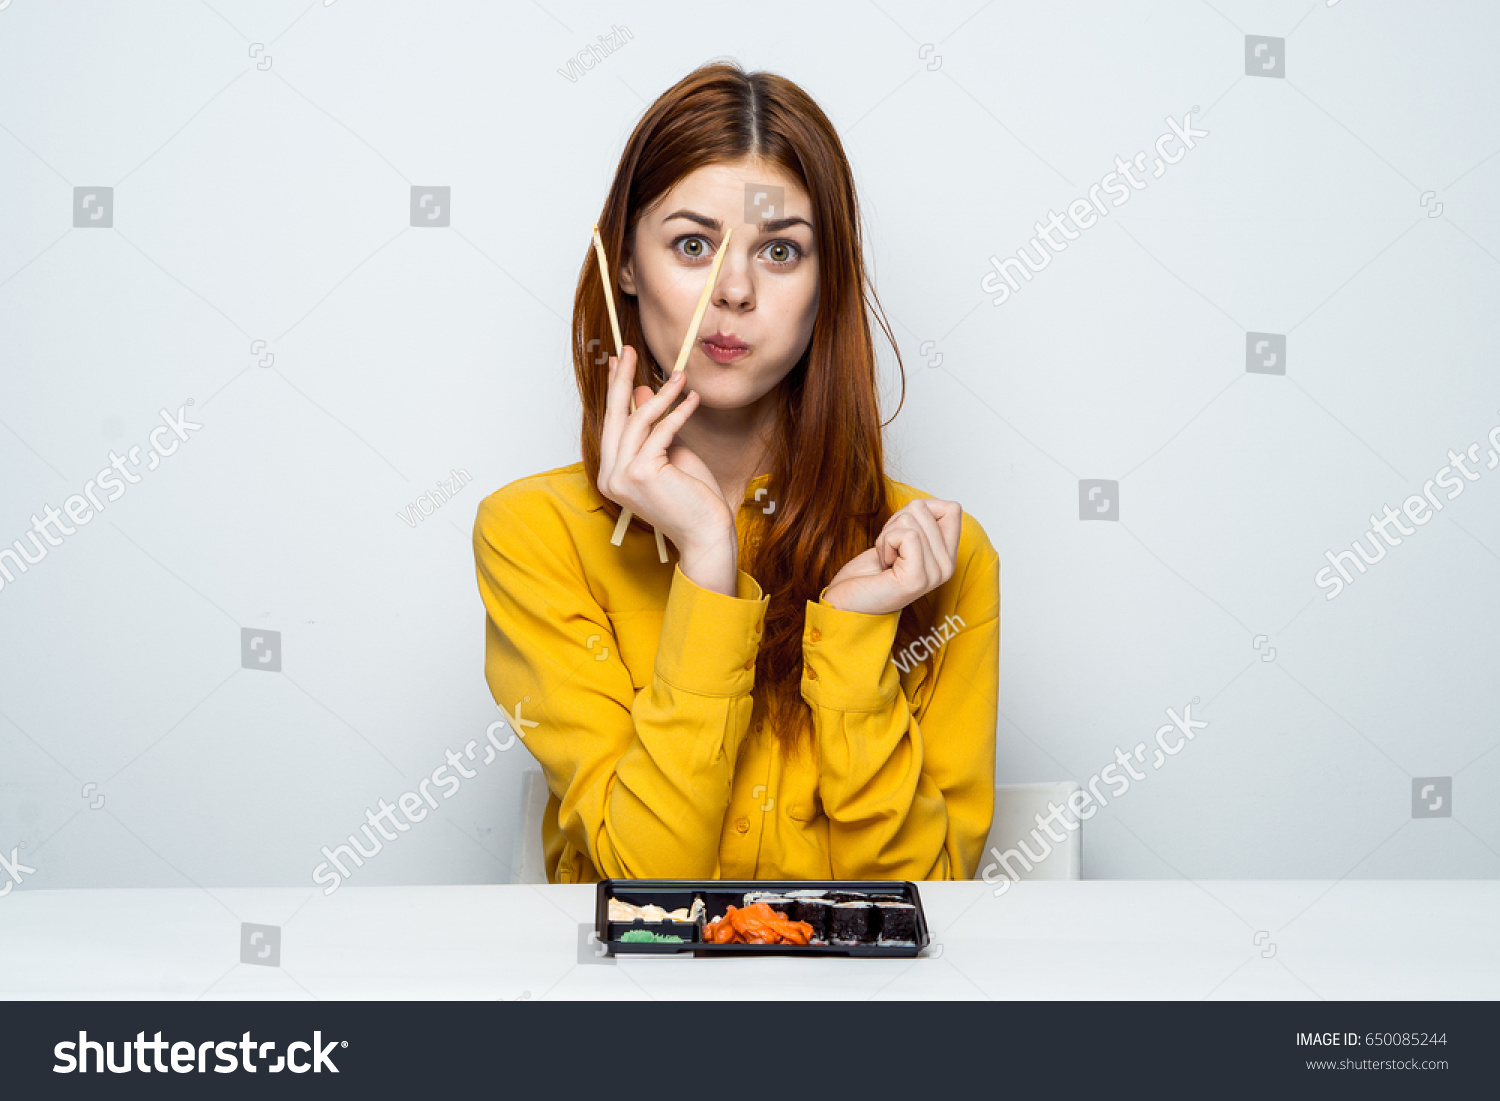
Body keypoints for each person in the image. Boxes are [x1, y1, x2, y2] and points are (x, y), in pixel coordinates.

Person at [472, 61, 999, 884]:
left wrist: (857, 641)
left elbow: (920, 905)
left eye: (781, 250)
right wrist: (708, 560)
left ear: (829, 285)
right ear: (625, 265)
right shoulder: (532, 536)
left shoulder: (933, 556)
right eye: (692, 244)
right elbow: (644, 891)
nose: (736, 291)